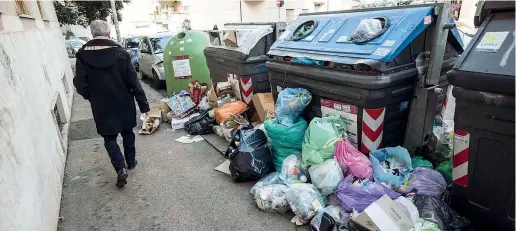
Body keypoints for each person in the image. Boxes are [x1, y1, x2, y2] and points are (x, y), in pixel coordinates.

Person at [74, 20, 149, 188]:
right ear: (108, 34)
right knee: (128, 132)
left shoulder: (82, 55)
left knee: (109, 138)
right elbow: (133, 82)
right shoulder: (121, 54)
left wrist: (91, 96)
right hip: (123, 101)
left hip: (101, 105)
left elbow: (80, 84)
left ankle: (120, 168)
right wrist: (144, 105)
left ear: (92, 34)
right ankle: (130, 162)